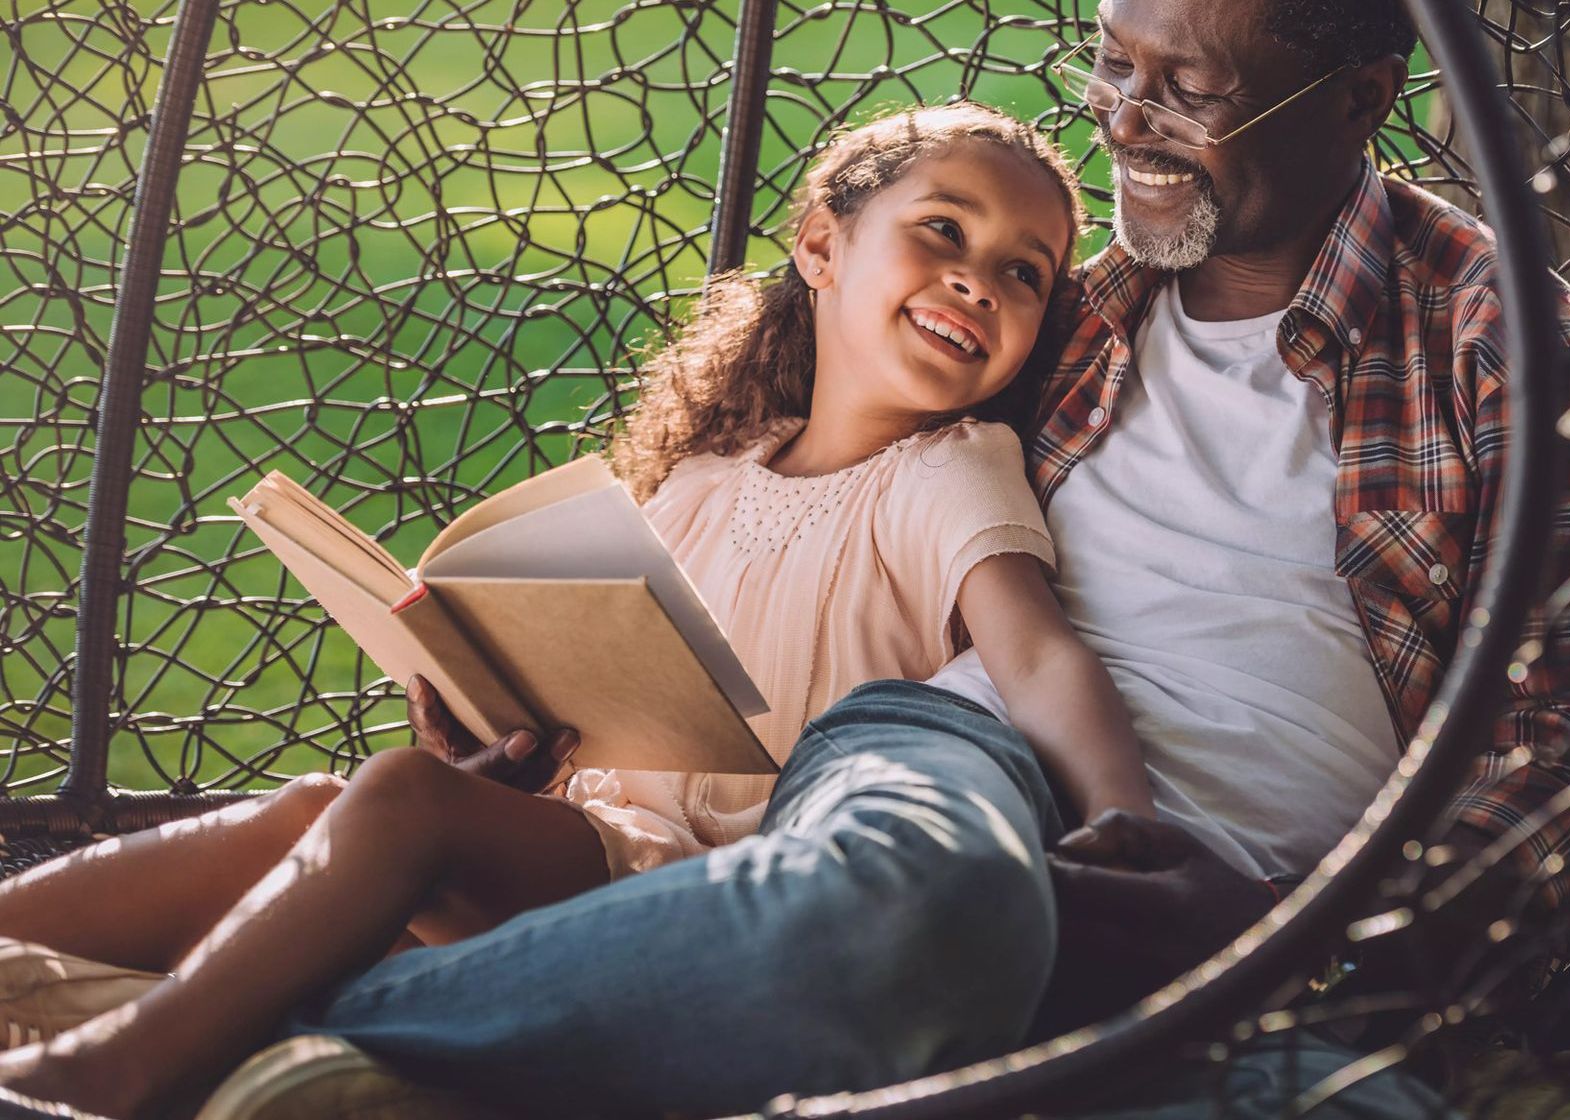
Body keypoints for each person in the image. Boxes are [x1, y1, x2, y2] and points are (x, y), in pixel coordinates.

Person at [0, 0, 1570, 1115]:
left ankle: (319, 1056)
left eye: (1193, 86)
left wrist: (1297, 913)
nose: (1131, 124)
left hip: (1266, 877)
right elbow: (890, 538)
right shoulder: (1081, 319)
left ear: (1362, 95)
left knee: (1052, 995)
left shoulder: (1499, 341)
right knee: (913, 900)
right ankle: (294, 1051)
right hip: (959, 765)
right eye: (1115, 63)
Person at [0, 103, 1165, 1118]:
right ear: (820, 245)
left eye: (1027, 270)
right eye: (946, 229)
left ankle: (115, 1074)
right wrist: (503, 747)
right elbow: (619, 702)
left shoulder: (951, 468)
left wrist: (1122, 819)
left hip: (716, 886)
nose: (980, 277)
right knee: (326, 801)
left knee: (400, 802)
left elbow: (1040, 655)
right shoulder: (710, 475)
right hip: (588, 847)